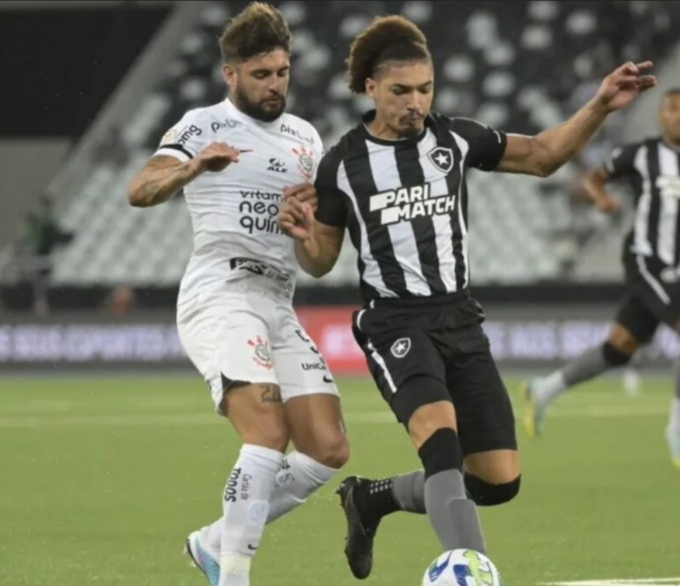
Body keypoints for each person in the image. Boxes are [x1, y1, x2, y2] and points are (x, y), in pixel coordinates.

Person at [278, 15, 655, 579]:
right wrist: (304, 237)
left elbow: (544, 155)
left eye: (425, 89)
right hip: (395, 323)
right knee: (442, 448)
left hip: (460, 317)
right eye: (401, 91)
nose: (416, 102)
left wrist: (600, 103)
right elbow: (322, 259)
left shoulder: (453, 138)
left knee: (497, 481)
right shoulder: (342, 166)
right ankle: (472, 570)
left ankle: (371, 498)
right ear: (371, 88)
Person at [125, 4, 349, 586]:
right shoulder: (202, 126)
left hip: (278, 297)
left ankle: (212, 542)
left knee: (327, 448)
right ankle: (234, 576)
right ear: (231, 75)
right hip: (220, 290)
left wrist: (309, 229)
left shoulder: (306, 139)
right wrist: (192, 168)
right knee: (268, 435)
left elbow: (321, 261)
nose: (275, 85)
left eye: (281, 72)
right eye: (261, 75)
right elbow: (140, 188)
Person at [522, 89, 680, 478]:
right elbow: (594, 177)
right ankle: (678, 427)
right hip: (645, 258)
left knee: (618, 350)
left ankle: (545, 389)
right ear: (661, 116)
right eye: (670, 109)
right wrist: (600, 198)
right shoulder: (641, 154)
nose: (677, 116)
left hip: (674, 266)